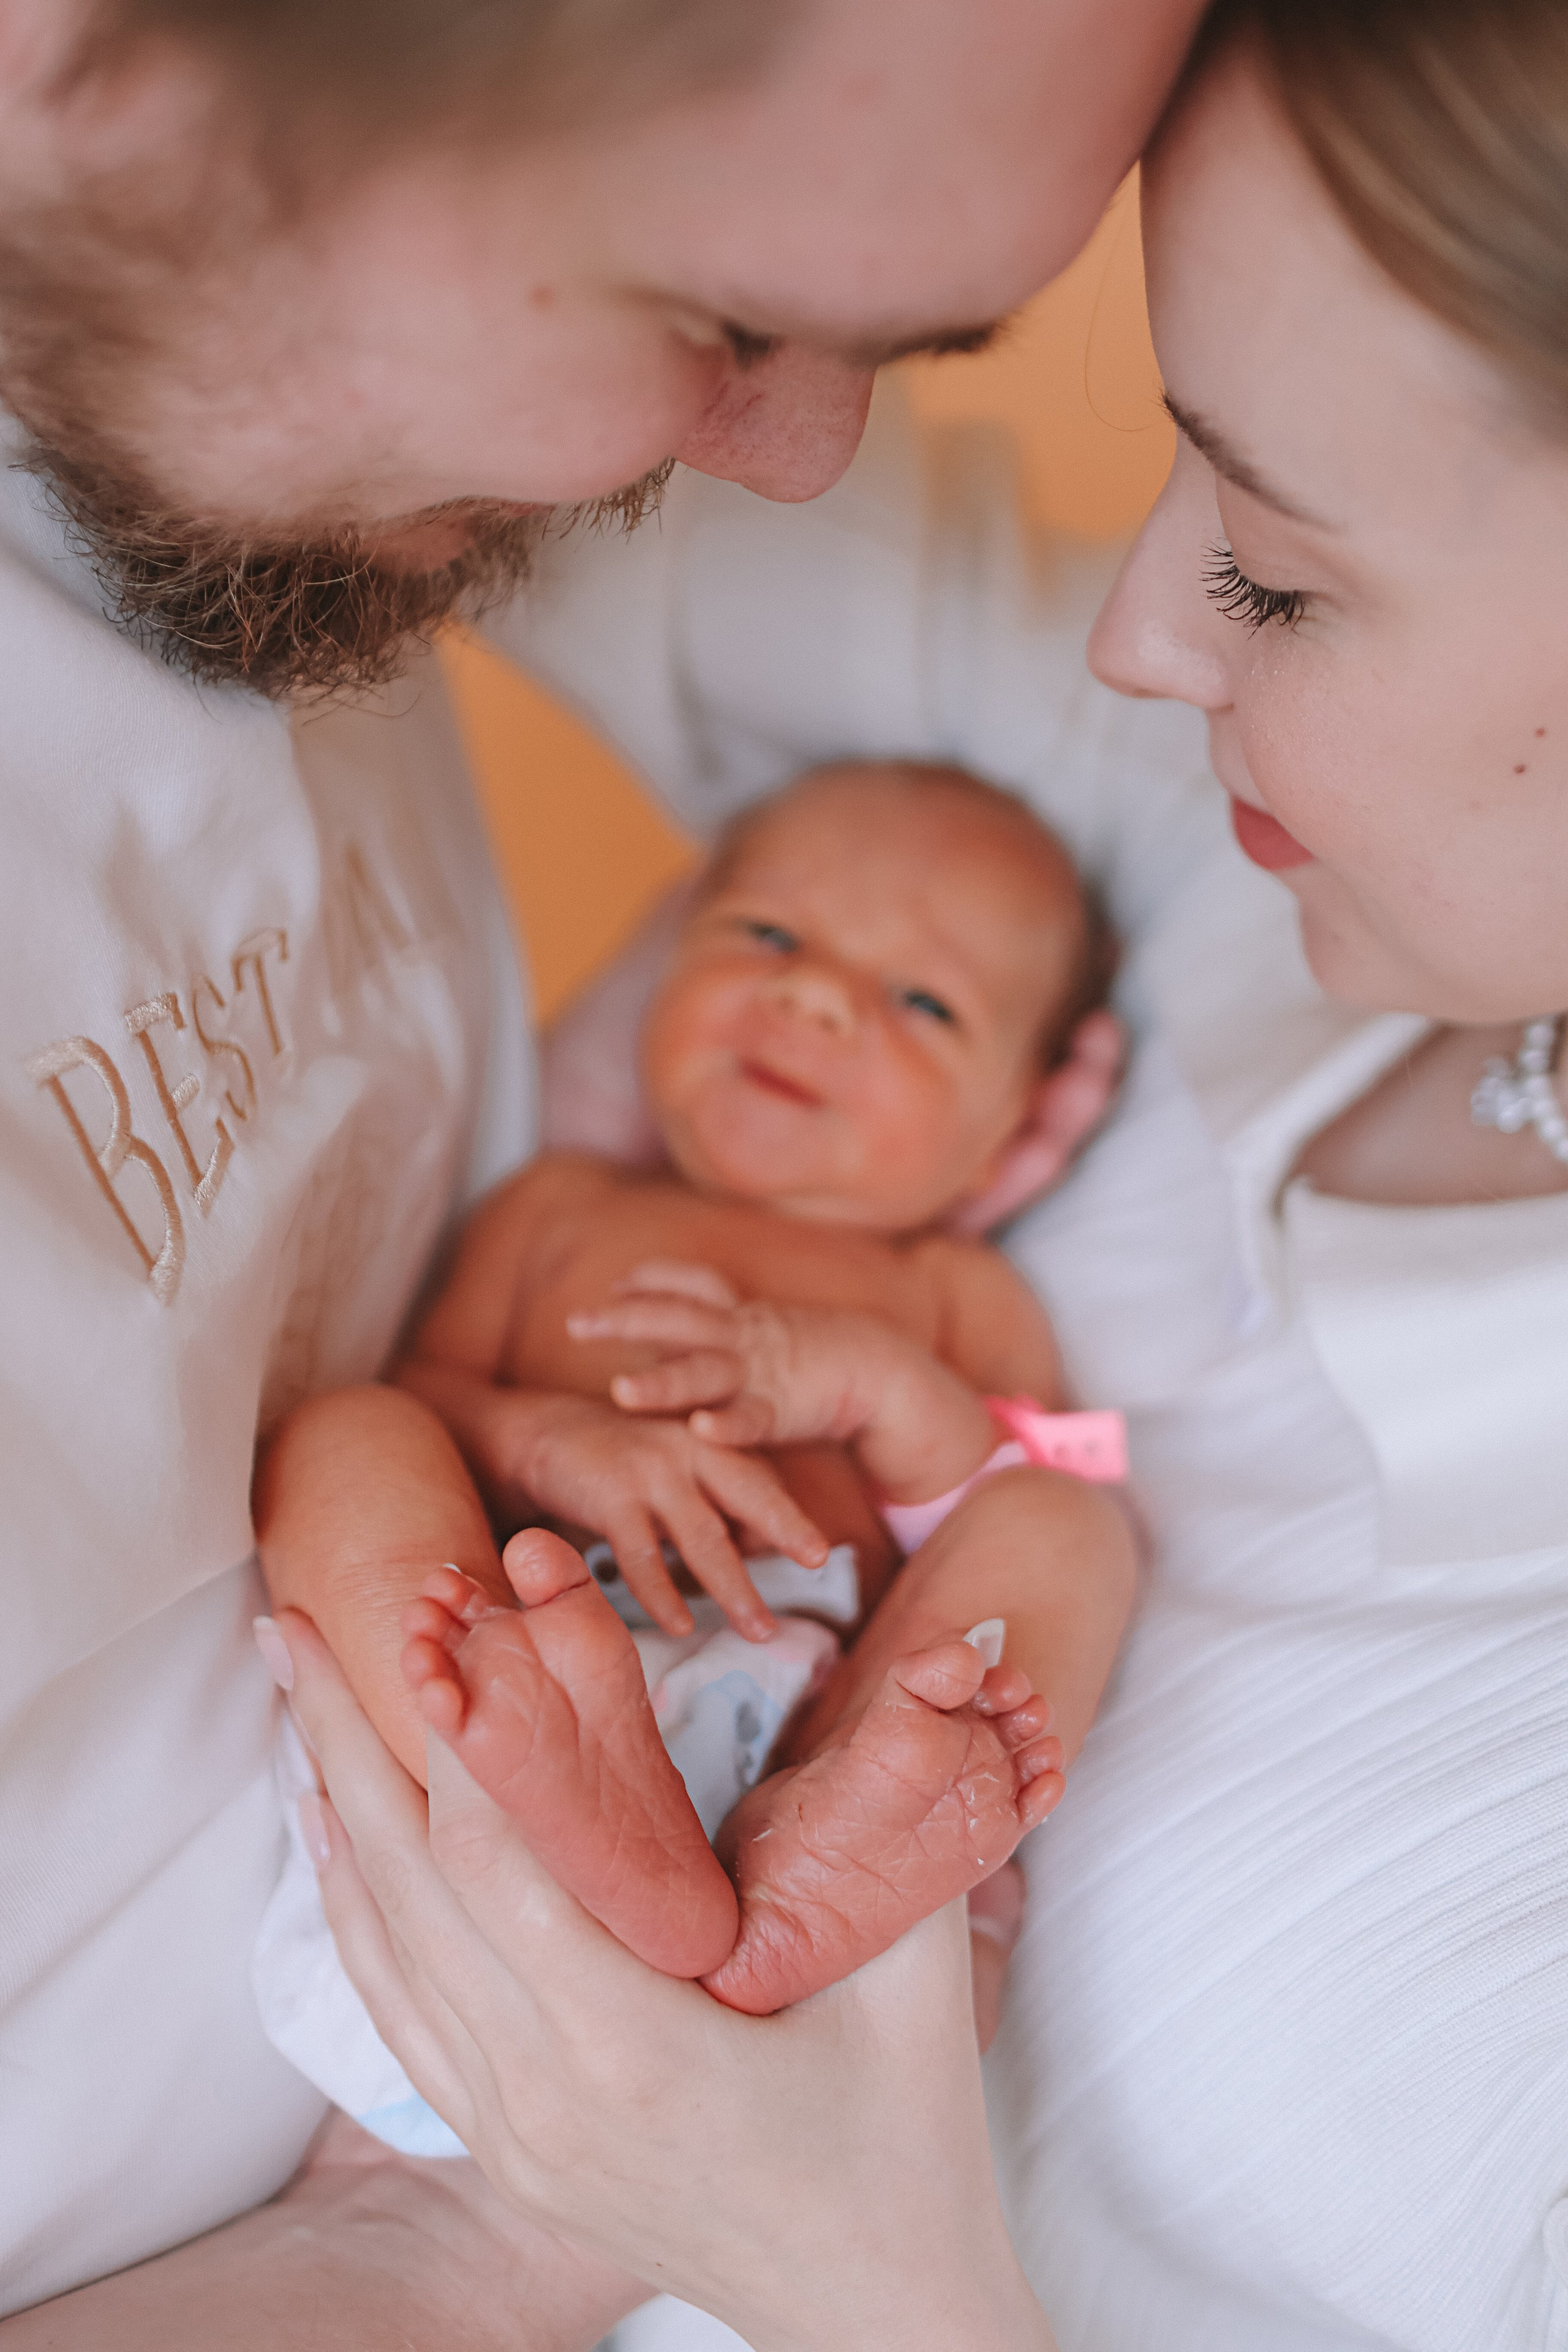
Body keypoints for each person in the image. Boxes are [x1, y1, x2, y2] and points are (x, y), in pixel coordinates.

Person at [243, 2, 1568, 2345]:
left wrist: (862, 2280)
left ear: (1024, 1104)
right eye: (1187, 475)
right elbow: (394, 324)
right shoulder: (1211, 875)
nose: (1137, 636)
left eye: (1273, 566)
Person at [0, 0, 1208, 2335]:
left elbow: (1240, 732)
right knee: (358, 1447)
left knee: (1059, 1528)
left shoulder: (305, 443)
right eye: (726, 315)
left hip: (597, 1989)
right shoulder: (308, 381)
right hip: (423, 2012)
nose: (798, 449)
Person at [250, 763, 1132, 2150]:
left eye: (924, 1004)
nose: (817, 998)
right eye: (766, 937)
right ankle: (503, 1766)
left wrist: (876, 1385)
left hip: (810, 1725)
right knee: (344, 1431)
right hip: (527, 1665)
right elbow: (430, 1394)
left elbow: (1017, 1491)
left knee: (1070, 1526)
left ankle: (834, 1835)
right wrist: (547, 1435)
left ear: (1009, 1135)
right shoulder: (558, 1208)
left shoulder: (947, 1294)